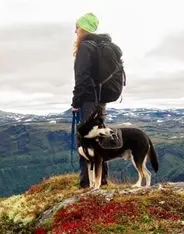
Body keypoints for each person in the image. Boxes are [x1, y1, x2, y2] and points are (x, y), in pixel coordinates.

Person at [71, 12, 110, 188]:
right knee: (99, 139)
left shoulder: (85, 47)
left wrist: (75, 102)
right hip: (100, 100)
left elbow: (82, 79)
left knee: (86, 141)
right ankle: (101, 180)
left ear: (84, 28)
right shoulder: (99, 46)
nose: (75, 31)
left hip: (88, 100)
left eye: (77, 27)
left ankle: (86, 183)